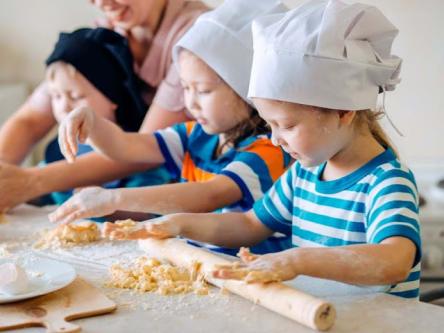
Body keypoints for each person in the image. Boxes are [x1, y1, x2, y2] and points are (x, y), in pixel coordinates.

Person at [104, 0, 421, 299]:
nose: (275, 139)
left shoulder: (385, 182)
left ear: (343, 111)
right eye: (270, 125)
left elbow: (394, 258)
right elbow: (249, 224)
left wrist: (298, 261)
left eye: (287, 125)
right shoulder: (304, 174)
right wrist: (178, 222)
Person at [50, 0, 291, 255]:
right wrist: (91, 123)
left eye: (203, 90)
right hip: (207, 265)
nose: (191, 102)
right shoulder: (194, 135)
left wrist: (114, 199)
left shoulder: (269, 151)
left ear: (247, 91)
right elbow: (127, 146)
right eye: (186, 88)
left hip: (256, 271)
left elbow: (209, 195)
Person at [0, 0, 208, 212]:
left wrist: (30, 182)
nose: (99, 2)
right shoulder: (106, 33)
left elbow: (141, 151)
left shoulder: (199, 36)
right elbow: (30, 120)